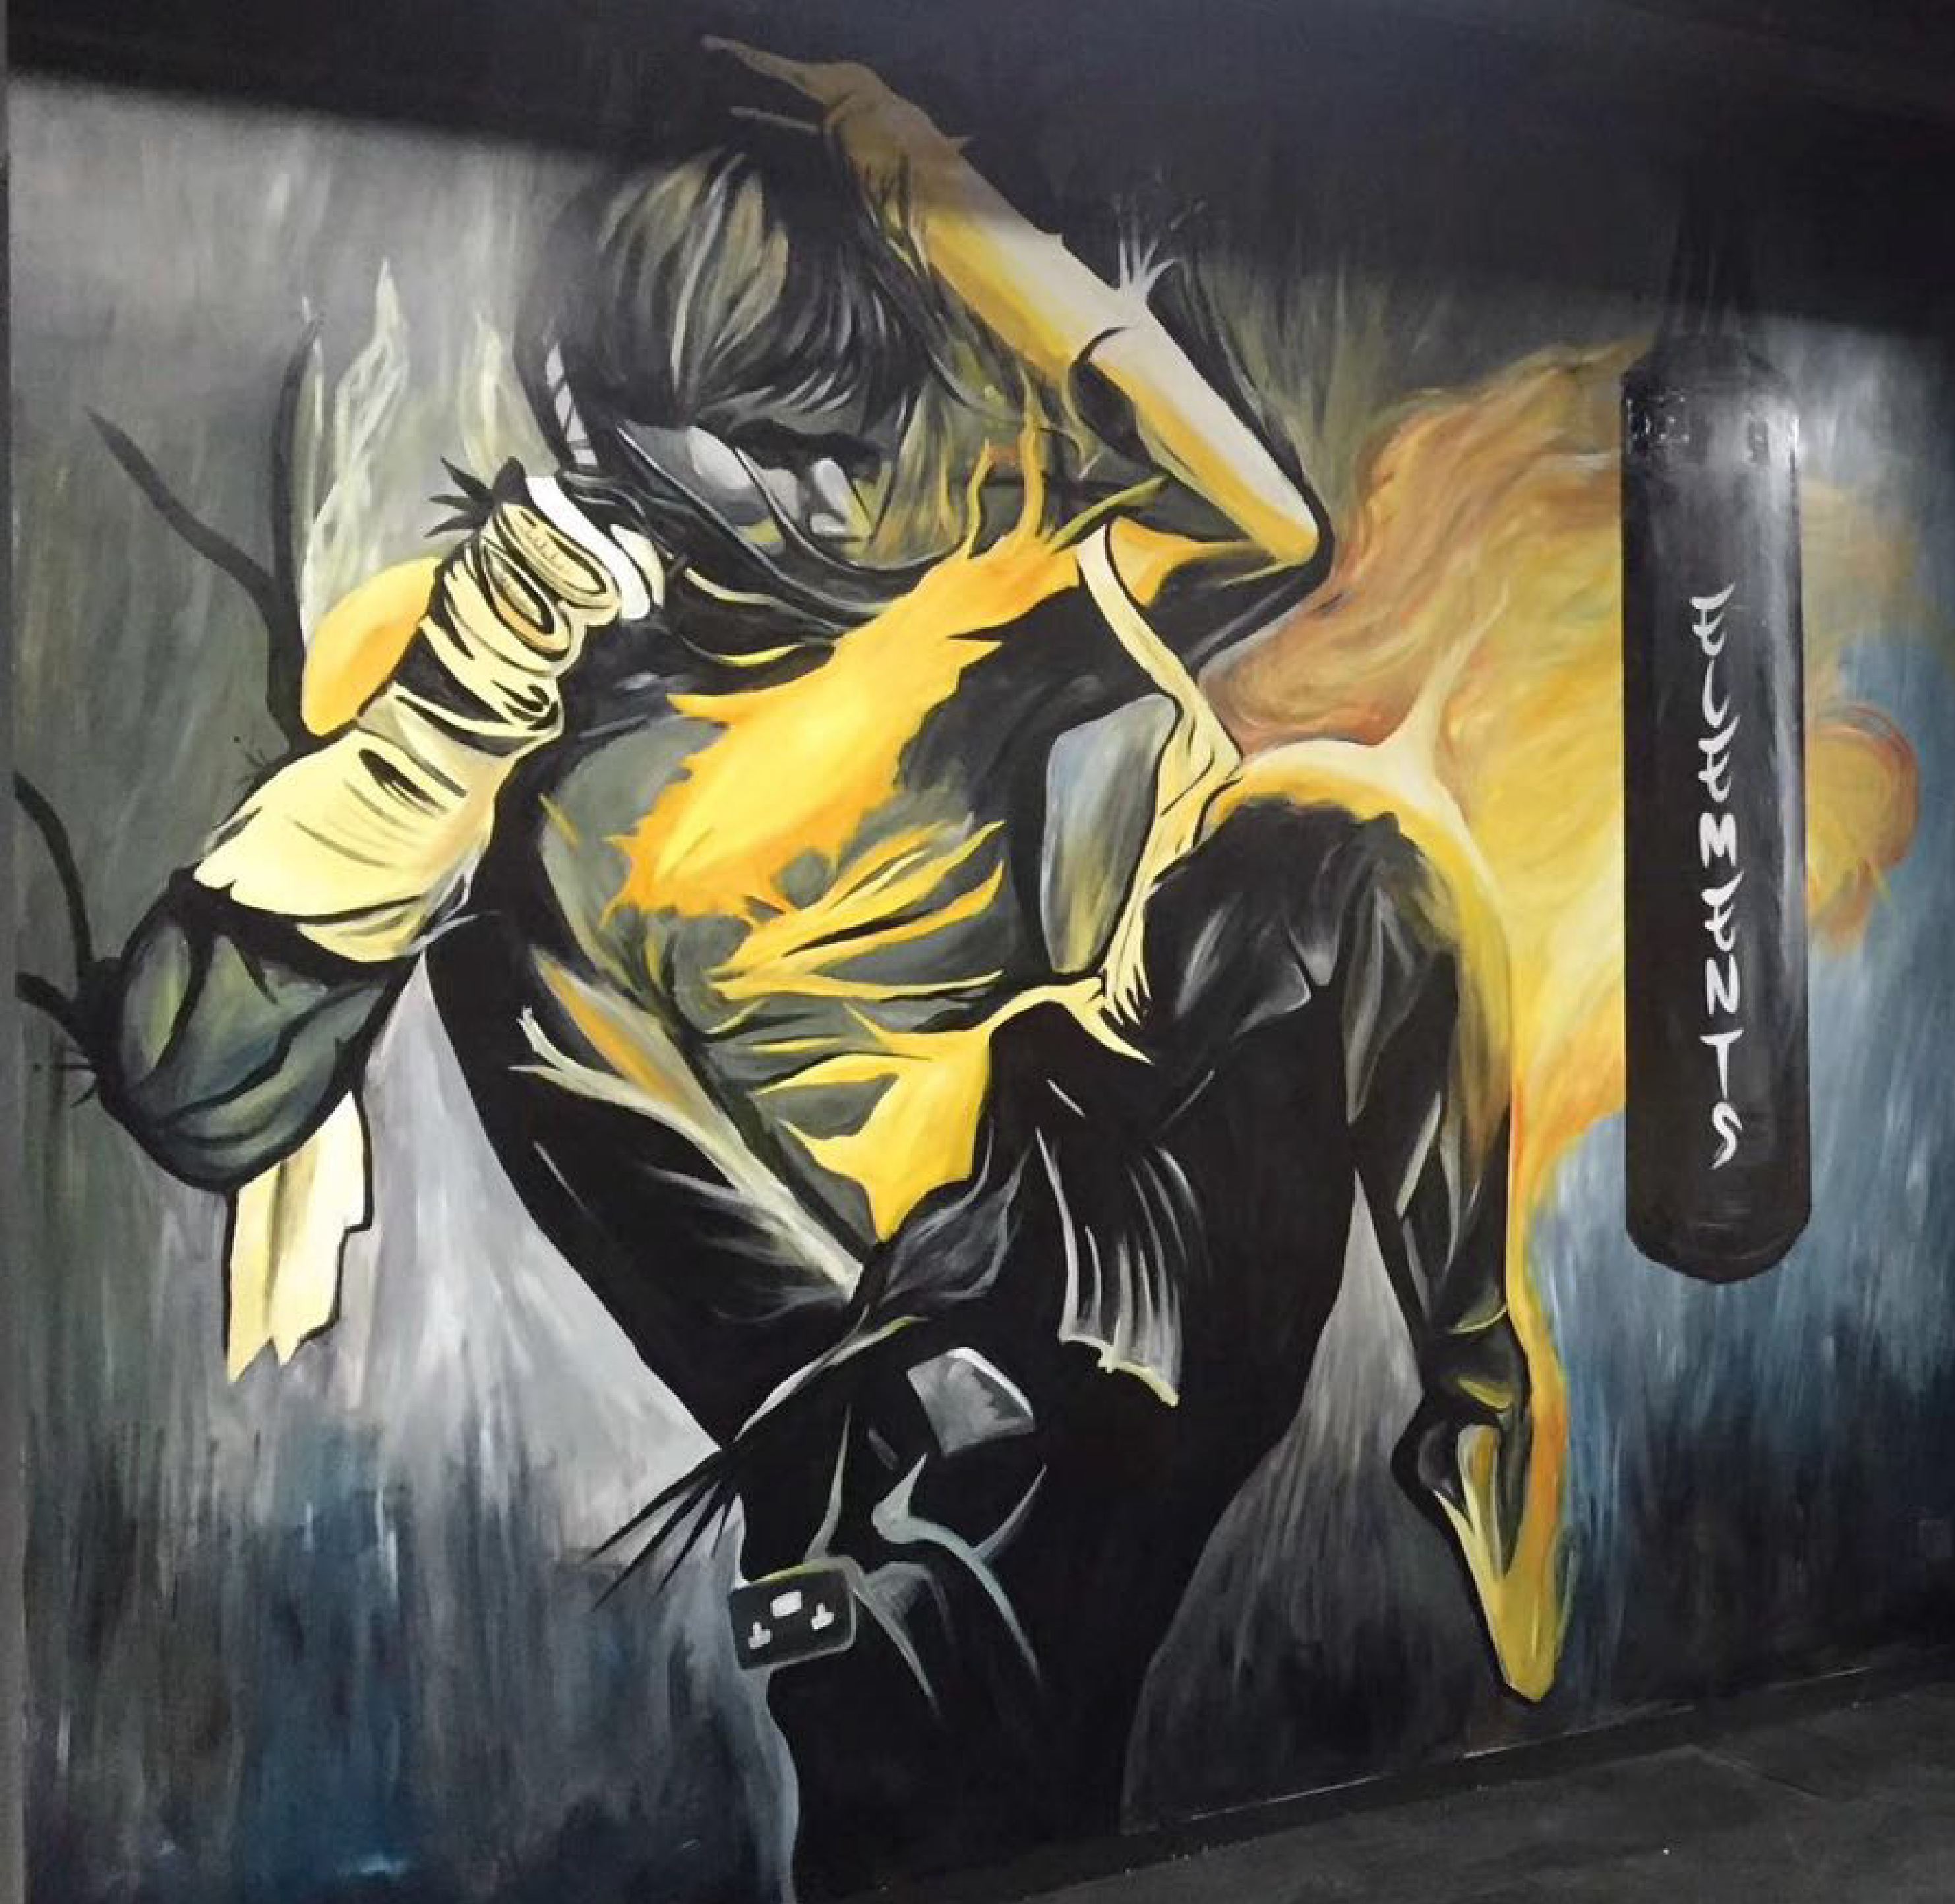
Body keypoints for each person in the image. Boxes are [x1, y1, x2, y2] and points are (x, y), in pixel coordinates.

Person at [50, 43, 1559, 1892]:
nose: (831, 501)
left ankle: (1481, 1404)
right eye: (768, 448)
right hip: (882, 1400)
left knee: (1347, 845)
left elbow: (1268, 527)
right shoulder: (528, 713)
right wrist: (451, 721)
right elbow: (199, 1091)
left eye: (854, 439)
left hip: (1127, 1227)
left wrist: (920, 177)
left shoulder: (984, 591)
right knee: (955, 1786)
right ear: (607, 424)